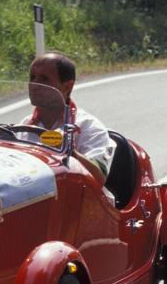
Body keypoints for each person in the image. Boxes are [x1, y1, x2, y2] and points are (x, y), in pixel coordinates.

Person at [20, 52, 116, 188]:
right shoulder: (22, 127)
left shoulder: (89, 126)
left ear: (66, 87)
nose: (34, 84)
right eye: (32, 77)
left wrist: (70, 152)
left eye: (44, 79)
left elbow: (99, 177)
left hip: (79, 198)